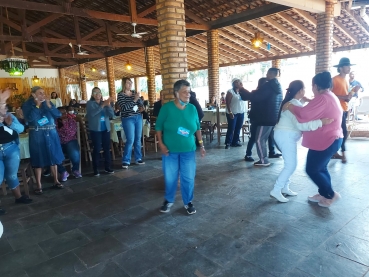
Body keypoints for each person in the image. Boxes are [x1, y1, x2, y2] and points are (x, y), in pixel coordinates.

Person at [283, 72, 343, 208]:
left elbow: (304, 114)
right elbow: (311, 111)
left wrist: (289, 106)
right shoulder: (329, 96)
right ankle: (324, 193)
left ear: (315, 86)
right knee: (321, 168)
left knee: (312, 169)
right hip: (331, 139)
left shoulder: (323, 98)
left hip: (327, 140)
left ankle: (330, 195)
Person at [270, 80, 333, 203]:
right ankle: (276, 190)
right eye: (304, 88)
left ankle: (285, 187)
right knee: (291, 165)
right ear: (300, 90)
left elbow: (300, 111)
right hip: (285, 137)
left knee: (290, 164)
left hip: (284, 136)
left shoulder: (292, 103)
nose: (306, 91)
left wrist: (304, 101)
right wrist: (321, 122)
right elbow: (301, 125)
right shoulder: (292, 104)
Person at [155, 80, 206, 215]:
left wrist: (201, 145)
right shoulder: (167, 108)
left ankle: (188, 201)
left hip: (188, 150)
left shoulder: (192, 108)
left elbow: (197, 128)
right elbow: (158, 127)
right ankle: (168, 200)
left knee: (188, 177)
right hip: (170, 151)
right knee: (170, 178)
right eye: (185, 92)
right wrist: (161, 143)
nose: (188, 95)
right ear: (176, 93)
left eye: (189, 92)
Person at [22, 86, 65, 194]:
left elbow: (58, 114)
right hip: (37, 134)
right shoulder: (27, 104)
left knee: (53, 157)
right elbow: (29, 118)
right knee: (38, 159)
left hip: (51, 133)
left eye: (43, 93)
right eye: (40, 93)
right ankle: (39, 185)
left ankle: (56, 180)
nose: (43, 95)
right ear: (33, 95)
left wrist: (49, 105)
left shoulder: (48, 102)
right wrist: (37, 106)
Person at [240, 68, 283, 166]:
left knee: (259, 139)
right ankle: (282, 153)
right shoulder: (278, 86)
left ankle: (264, 160)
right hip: (273, 117)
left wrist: (242, 89)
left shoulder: (268, 86)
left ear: (269, 74)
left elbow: (256, 98)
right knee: (271, 138)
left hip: (264, 118)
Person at [0, 88, 32, 205]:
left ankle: (18, 198)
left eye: (4, 105)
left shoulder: (9, 116)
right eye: (2, 105)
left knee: (12, 175)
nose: (4, 108)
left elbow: (21, 129)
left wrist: (11, 123)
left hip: (11, 149)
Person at [331, 58, 360, 163]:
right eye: (347, 66)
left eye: (349, 66)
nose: (349, 68)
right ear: (341, 68)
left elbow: (347, 97)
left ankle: (334, 152)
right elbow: (329, 95)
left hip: (344, 109)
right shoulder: (334, 80)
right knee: (344, 131)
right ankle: (343, 153)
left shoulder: (346, 81)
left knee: (339, 132)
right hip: (336, 110)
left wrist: (353, 91)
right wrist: (343, 97)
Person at [86, 87, 115, 176]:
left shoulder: (104, 103)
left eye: (99, 92)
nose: (98, 94)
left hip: (105, 129)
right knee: (97, 149)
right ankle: (95, 169)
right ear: (92, 95)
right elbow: (92, 113)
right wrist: (102, 105)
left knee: (107, 148)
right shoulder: (90, 103)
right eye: (95, 93)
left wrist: (108, 105)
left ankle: (107, 167)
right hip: (96, 130)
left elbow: (112, 115)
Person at [117, 78, 145, 169]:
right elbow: (124, 108)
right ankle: (126, 160)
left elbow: (140, 103)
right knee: (130, 140)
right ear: (124, 84)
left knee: (138, 139)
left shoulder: (133, 93)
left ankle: (138, 158)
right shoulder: (120, 95)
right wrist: (134, 100)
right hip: (128, 118)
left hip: (138, 117)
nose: (130, 85)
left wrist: (140, 101)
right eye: (128, 83)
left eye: (131, 83)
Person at [56, 107, 82, 179]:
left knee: (74, 152)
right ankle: (63, 171)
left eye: (65, 113)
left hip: (70, 140)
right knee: (53, 152)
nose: (64, 114)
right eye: (61, 113)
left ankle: (75, 169)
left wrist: (64, 123)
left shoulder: (71, 121)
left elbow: (70, 133)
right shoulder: (54, 122)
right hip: (59, 142)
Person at [245, 77, 267, 161]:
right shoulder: (255, 93)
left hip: (262, 118)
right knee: (253, 137)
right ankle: (248, 154)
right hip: (255, 117)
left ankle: (263, 155)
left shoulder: (265, 93)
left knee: (260, 138)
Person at [225, 78, 246, 149]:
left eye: (239, 82)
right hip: (233, 113)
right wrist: (230, 112)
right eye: (236, 82)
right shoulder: (230, 91)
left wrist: (242, 88)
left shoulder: (242, 91)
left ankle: (235, 142)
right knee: (231, 128)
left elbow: (247, 97)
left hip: (241, 112)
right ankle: (228, 143)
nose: (238, 83)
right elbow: (227, 102)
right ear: (233, 83)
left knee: (238, 128)